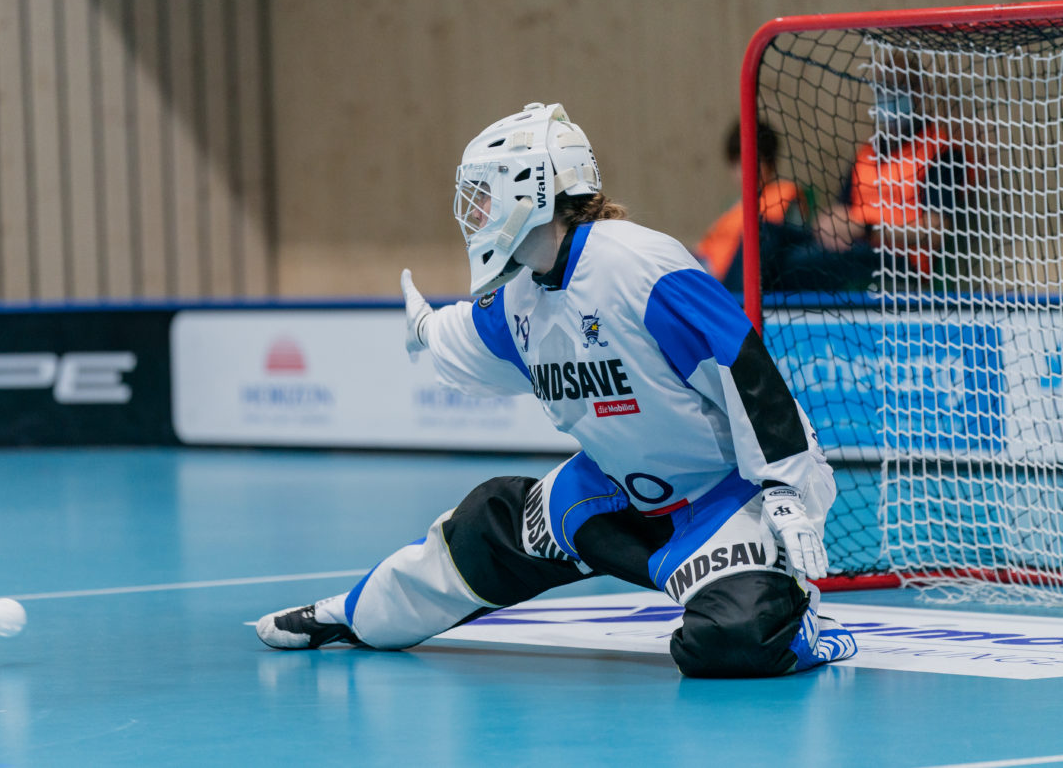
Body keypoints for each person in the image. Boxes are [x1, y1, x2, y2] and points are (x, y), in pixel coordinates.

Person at [255, 102, 857, 678]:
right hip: (616, 492)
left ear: (531, 189)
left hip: (725, 495)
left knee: (735, 638)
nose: (475, 210)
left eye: (486, 192)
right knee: (487, 525)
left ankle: (800, 626)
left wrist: (785, 488)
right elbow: (465, 335)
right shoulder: (520, 295)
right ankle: (351, 615)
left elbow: (744, 368)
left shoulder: (642, 267)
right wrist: (424, 330)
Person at [778, 53, 967, 291]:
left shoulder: (938, 151)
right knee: (771, 239)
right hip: (851, 249)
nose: (887, 99)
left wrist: (867, 229)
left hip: (899, 262)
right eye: (881, 91)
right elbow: (839, 211)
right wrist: (831, 225)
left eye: (897, 90)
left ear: (918, 93)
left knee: (792, 266)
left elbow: (936, 229)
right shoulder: (867, 153)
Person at [695, 120, 805, 292]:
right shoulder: (735, 207)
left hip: (735, 284)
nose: (743, 171)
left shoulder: (784, 195)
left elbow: (782, 246)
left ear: (770, 163)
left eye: (751, 162)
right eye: (737, 164)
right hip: (707, 271)